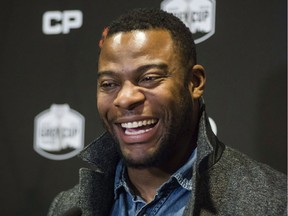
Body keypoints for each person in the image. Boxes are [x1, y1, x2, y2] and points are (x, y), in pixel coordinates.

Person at [48, 8, 287, 216]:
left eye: (149, 78)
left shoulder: (273, 203)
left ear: (194, 82)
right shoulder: (68, 207)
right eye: (109, 84)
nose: (125, 98)